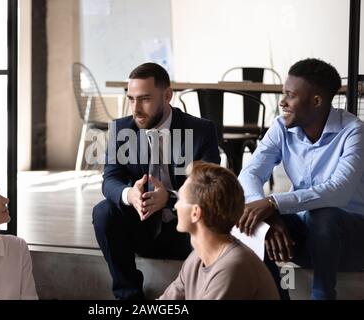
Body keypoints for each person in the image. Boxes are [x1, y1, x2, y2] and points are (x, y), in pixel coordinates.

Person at [237, 58, 364, 300]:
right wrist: (271, 216)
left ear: (316, 101)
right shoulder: (281, 127)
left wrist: (274, 202)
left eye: (290, 95)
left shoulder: (354, 132)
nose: (282, 101)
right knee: (252, 222)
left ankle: (322, 296)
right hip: (307, 235)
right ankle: (276, 296)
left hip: (351, 239)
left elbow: (339, 191)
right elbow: (250, 173)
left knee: (324, 213)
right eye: (283, 93)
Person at [93, 62, 220, 300]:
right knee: (104, 212)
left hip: (186, 232)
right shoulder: (122, 129)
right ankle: (129, 297)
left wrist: (170, 198)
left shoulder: (201, 130)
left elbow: (210, 189)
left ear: (167, 95)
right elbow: (110, 179)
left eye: (144, 99)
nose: (136, 108)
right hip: (140, 226)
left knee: (211, 222)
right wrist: (129, 194)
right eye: (131, 99)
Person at [159, 161, 279, 300]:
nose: (175, 205)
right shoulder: (197, 258)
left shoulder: (232, 267)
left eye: (180, 199)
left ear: (195, 213)